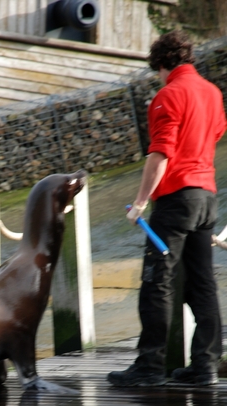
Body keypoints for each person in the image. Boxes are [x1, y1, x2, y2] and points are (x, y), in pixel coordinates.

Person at [107, 29, 226, 387]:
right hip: (207, 198)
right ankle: (204, 368)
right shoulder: (212, 92)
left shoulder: (166, 95)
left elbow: (160, 154)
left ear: (161, 65)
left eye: (156, 70)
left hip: (175, 201)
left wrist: (141, 202)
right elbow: (216, 133)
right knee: (203, 286)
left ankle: (149, 368)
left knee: (156, 284)